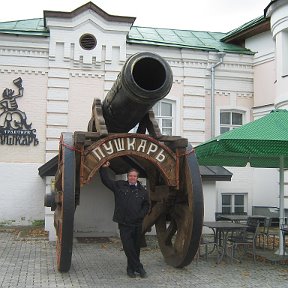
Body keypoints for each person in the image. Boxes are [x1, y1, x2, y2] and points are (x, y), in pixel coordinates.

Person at [99, 161, 150, 278]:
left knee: (135, 248)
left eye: (135, 176)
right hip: (124, 223)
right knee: (128, 247)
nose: (132, 178)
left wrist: (141, 215)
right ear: (128, 177)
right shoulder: (120, 185)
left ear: (137, 178)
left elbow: (147, 205)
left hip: (137, 223)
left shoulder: (143, 191)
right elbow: (106, 181)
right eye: (131, 176)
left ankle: (130, 269)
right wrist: (103, 169)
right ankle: (139, 267)